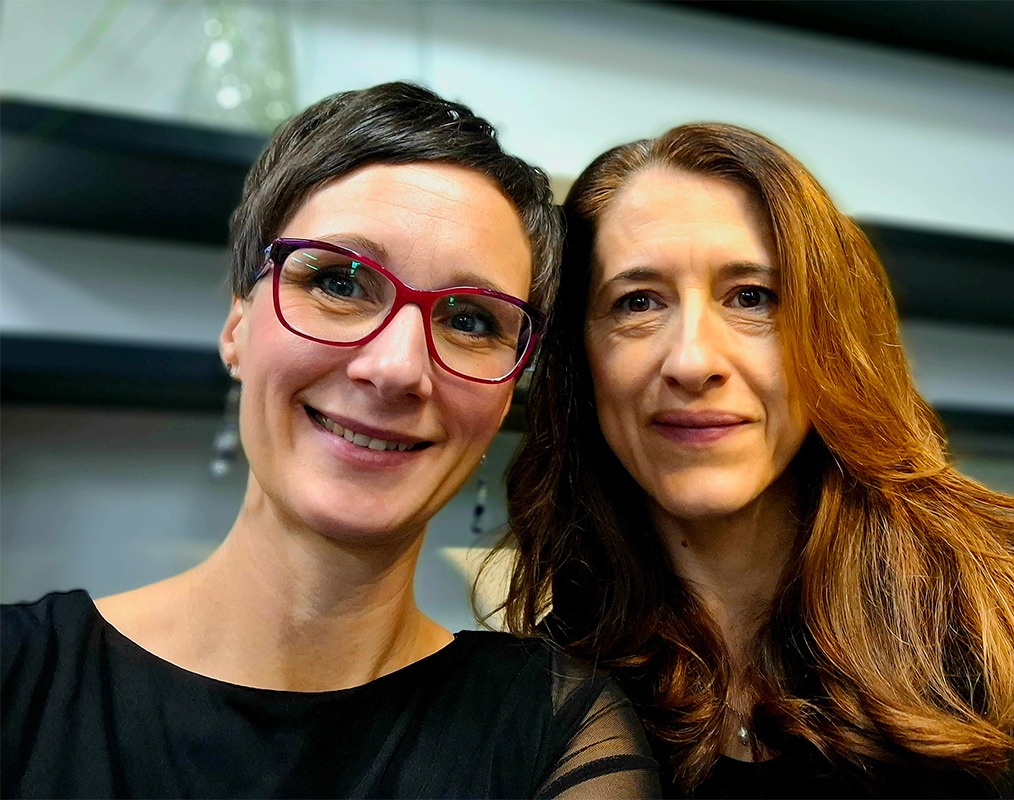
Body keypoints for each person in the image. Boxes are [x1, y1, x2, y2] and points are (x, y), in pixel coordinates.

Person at [496, 122, 1014, 798]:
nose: (692, 360)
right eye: (637, 302)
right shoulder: (556, 704)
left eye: (752, 297)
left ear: (831, 336)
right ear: (579, 360)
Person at [1, 82, 659, 799]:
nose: (396, 368)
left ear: (507, 394)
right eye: (341, 283)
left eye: (470, 320)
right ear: (238, 325)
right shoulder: (18, 677)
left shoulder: (558, 733)